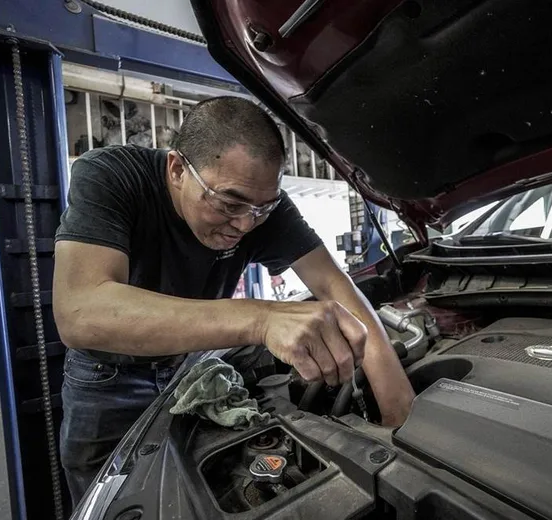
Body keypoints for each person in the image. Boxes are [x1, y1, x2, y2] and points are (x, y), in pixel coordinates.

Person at [52, 96, 415, 506]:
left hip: (192, 366)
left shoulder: (260, 206)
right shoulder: (112, 176)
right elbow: (80, 311)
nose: (245, 224)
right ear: (176, 170)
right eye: (229, 204)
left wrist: (398, 409)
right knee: (109, 501)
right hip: (108, 377)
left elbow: (335, 286)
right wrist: (261, 320)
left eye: (262, 208)